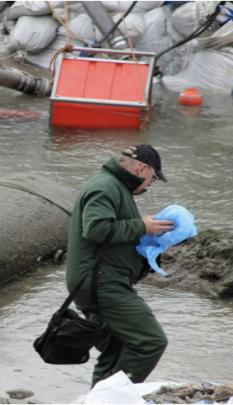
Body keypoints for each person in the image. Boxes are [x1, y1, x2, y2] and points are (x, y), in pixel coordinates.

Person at [65, 144, 174, 386]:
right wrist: (141, 226)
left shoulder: (115, 185)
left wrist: (146, 234)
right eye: (152, 179)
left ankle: (97, 400)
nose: (149, 185)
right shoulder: (106, 187)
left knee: (117, 348)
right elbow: (95, 229)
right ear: (142, 168)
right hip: (101, 282)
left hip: (100, 279)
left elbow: (111, 230)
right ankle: (117, 398)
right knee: (151, 341)